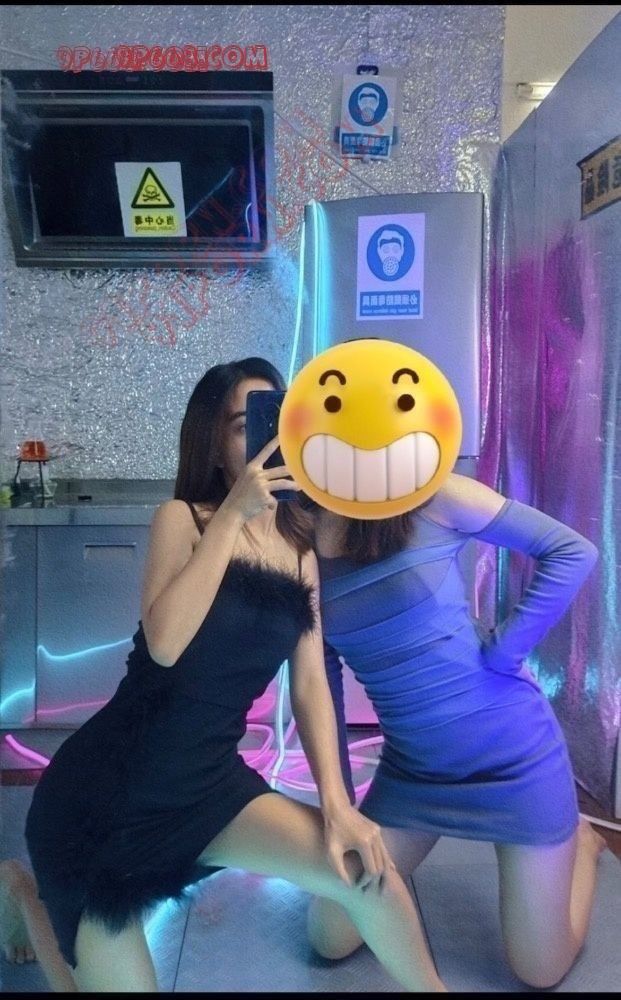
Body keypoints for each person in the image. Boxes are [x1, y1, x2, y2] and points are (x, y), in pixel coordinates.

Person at [0, 358, 447, 993]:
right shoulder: (182, 520)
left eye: (278, 421)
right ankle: (22, 891)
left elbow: (310, 683)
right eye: (245, 425)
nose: (266, 439)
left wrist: (337, 805)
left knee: (361, 868)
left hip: (210, 787)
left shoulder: (299, 545)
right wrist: (233, 516)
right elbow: (165, 644)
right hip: (104, 797)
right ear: (214, 442)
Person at [304, 471, 605, 990]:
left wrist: (506, 651)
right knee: (327, 936)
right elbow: (321, 682)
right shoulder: (298, 536)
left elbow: (573, 551)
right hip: (413, 773)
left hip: (513, 759)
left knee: (539, 970)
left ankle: (585, 840)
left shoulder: (433, 495)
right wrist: (343, 805)